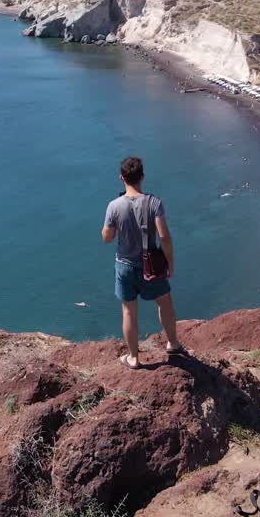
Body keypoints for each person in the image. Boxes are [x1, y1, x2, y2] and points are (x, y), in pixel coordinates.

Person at [102, 156, 184, 368]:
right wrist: (170, 264)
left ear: (122, 178)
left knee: (128, 311)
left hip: (124, 265)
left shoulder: (114, 206)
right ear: (142, 176)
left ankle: (133, 358)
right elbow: (164, 237)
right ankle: (173, 343)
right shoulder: (154, 203)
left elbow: (107, 237)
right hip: (152, 264)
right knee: (164, 301)